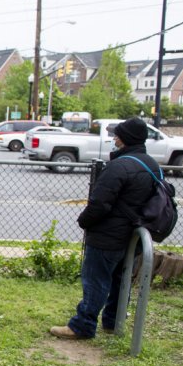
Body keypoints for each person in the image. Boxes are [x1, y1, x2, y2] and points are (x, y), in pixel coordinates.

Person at [50, 117, 156, 340]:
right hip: (133, 235)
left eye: (118, 134)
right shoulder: (150, 164)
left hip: (108, 236)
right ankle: (113, 322)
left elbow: (100, 203)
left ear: (127, 139)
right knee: (121, 280)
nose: (114, 137)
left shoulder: (120, 166)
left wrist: (84, 221)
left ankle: (83, 325)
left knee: (96, 280)